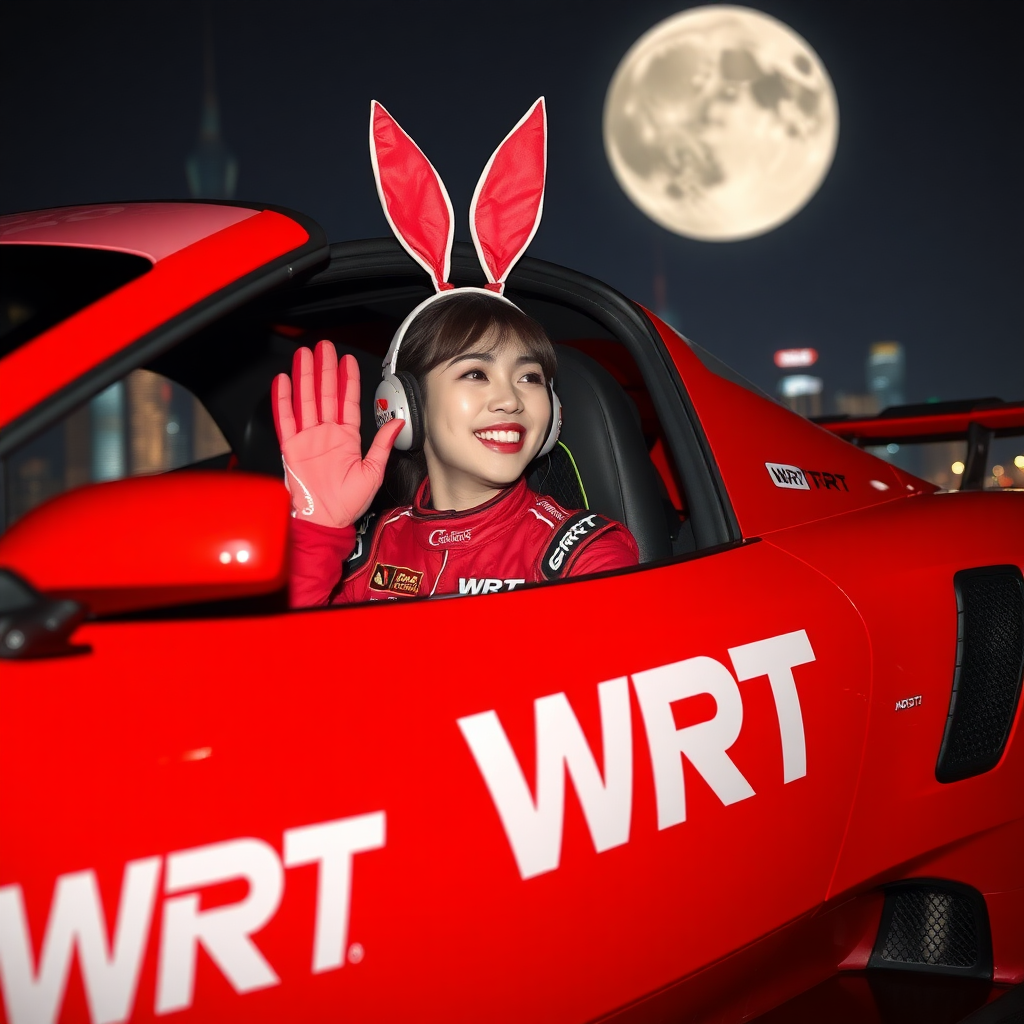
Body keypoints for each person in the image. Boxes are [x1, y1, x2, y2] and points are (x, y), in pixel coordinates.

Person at [273, 97, 638, 607]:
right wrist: (317, 534)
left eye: (530, 377)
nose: (511, 399)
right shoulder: (368, 552)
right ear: (404, 404)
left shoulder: (583, 558)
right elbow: (283, 677)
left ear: (553, 415)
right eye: (475, 374)